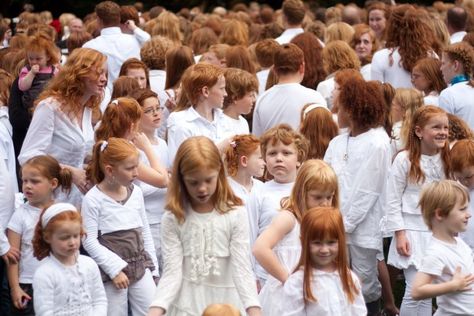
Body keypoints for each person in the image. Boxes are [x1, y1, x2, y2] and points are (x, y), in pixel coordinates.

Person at [147, 136, 261, 316]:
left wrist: (254, 309)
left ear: (219, 174)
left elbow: (242, 268)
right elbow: (172, 272)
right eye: (194, 182)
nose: (202, 188)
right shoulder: (173, 218)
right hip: (187, 305)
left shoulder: (235, 214)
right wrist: (156, 309)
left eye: (209, 180)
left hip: (226, 305)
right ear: (181, 179)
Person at [324, 77, 391, 315]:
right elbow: (325, 178)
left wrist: (346, 224)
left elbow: (368, 191)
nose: (337, 112)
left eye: (340, 107)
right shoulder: (337, 142)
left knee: (364, 283)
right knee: (335, 281)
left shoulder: (377, 143)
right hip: (334, 225)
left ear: (352, 110)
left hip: (361, 229)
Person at [18, 48, 107, 207]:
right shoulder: (50, 107)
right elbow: (28, 156)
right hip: (52, 200)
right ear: (80, 74)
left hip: (79, 200)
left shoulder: (87, 110)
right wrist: (70, 172)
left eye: (105, 74)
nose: (104, 79)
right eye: (98, 73)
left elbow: (79, 152)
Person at [384, 106, 451, 316]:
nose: (442, 132)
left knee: (428, 292)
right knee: (415, 289)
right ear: (419, 131)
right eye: (436, 127)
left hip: (438, 233)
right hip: (411, 231)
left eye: (446, 127)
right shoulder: (405, 160)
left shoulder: (448, 158)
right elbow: (392, 199)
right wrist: (400, 233)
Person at [82, 138, 158, 316]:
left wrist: (153, 267)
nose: (136, 173)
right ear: (110, 170)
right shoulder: (93, 199)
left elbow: (144, 230)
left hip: (139, 264)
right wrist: (114, 269)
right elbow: (89, 240)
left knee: (152, 310)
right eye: (130, 168)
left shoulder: (136, 193)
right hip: (112, 272)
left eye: (136, 166)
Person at [254, 159, 340, 315]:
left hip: (314, 292)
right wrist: (288, 280)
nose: (325, 204)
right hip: (285, 297)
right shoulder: (288, 219)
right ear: (302, 192)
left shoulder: (322, 222)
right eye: (317, 197)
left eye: (329, 197)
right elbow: (260, 249)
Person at [7, 155, 72, 315]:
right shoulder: (20, 215)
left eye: (34, 181)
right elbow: (13, 257)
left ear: (53, 183)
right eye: (24, 181)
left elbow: (72, 250)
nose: (27, 186)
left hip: (60, 283)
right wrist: (15, 288)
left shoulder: (64, 211)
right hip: (29, 285)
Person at [249, 124, 309, 281]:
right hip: (266, 276)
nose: (278, 158)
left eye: (286, 153)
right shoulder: (258, 192)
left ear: (299, 159)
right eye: (272, 153)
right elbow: (250, 236)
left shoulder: (307, 191)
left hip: (301, 272)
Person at [281, 207, 367, 315]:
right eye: (317, 243)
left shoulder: (348, 277)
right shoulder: (298, 282)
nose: (324, 250)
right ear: (303, 241)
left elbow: (359, 311)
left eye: (331, 242)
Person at [411, 180, 474, 315]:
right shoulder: (436, 252)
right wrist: (452, 286)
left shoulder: (460, 243)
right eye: (462, 209)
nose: (468, 214)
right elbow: (417, 291)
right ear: (440, 214)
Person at [32, 203, 107, 315]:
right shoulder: (45, 273)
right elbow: (45, 312)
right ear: (47, 237)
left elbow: (99, 300)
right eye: (64, 238)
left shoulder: (89, 264)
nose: (72, 242)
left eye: (76, 236)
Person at [130, 88, 170, 270]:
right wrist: (166, 179)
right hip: (148, 219)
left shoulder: (162, 143)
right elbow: (140, 189)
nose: (156, 113)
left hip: (166, 217)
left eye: (158, 108)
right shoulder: (134, 148)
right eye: (148, 111)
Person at [252, 43, 326, 136]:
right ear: (302, 67)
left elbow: (257, 139)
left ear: (274, 69)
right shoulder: (315, 97)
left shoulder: (262, 99)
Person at [95, 97, 168, 189]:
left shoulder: (108, 144)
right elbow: (163, 181)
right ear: (132, 126)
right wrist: (147, 147)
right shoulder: (121, 152)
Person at [167, 63, 229, 162]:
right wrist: (222, 147)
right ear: (206, 91)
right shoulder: (181, 121)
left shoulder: (224, 118)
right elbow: (183, 164)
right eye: (222, 88)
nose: (225, 94)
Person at [371, 7, 436, 89]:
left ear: (392, 27)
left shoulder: (380, 57)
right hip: (423, 101)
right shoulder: (431, 55)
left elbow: (377, 93)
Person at [83, 1, 141, 90]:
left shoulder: (89, 47)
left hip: (102, 99)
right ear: (119, 19)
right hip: (132, 96)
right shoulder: (136, 41)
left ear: (98, 20)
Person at [18, 34, 59, 115]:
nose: (34, 62)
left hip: (48, 105)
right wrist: (31, 73)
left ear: (48, 57)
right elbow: (22, 87)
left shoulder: (53, 70)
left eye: (38, 59)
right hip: (30, 106)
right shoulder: (27, 70)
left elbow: (58, 87)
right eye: (31, 58)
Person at [224, 134, 265, 210]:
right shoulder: (225, 189)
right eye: (261, 158)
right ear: (244, 161)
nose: (264, 163)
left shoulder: (262, 188)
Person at [439, 42, 474, 129]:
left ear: (455, 65)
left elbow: (446, 130)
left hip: (460, 142)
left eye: (443, 63)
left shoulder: (448, 94)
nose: (441, 68)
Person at [451, 139, 474, 250]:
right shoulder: (459, 190)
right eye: (459, 178)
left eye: (469, 177)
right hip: (466, 247)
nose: (465, 182)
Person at [222, 68, 258, 137]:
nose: (254, 99)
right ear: (235, 98)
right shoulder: (220, 124)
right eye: (250, 95)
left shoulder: (243, 122)